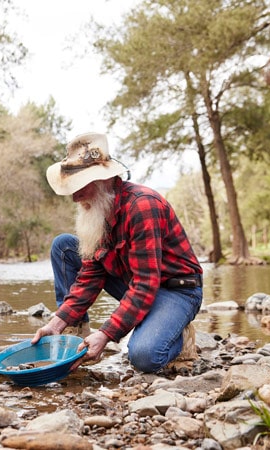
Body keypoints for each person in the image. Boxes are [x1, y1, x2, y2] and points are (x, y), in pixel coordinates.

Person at [32, 132, 203, 374]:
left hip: (176, 290)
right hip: (135, 282)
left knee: (144, 357)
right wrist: (56, 323)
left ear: (104, 181)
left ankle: (180, 334)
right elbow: (91, 275)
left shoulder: (143, 206)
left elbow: (145, 284)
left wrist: (106, 334)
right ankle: (74, 333)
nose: (74, 197)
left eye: (79, 186)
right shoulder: (99, 210)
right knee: (65, 247)